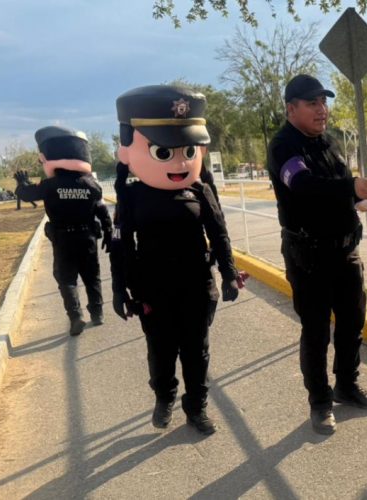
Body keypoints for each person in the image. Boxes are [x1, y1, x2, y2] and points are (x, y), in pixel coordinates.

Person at [110, 84, 246, 435]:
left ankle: (196, 407)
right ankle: (164, 396)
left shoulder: (200, 190)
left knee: (196, 352)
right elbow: (121, 246)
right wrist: (118, 289)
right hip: (152, 289)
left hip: (195, 285)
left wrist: (228, 273)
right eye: (163, 151)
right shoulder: (132, 196)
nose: (180, 161)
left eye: (187, 150)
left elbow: (218, 233)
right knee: (160, 352)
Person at [266, 74, 367, 435]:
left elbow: (339, 192)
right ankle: (320, 402)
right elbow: (303, 187)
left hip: (345, 252)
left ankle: (346, 386)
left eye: (324, 102)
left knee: (352, 324)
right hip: (310, 257)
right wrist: (350, 187)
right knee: (317, 331)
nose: (322, 110)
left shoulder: (329, 143)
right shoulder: (283, 146)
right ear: (291, 109)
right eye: (313, 103)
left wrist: (364, 201)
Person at [14, 126, 112, 336]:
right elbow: (102, 210)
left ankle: (76, 317)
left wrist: (22, 183)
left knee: (66, 279)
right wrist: (109, 231)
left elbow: (26, 194)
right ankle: (97, 313)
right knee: (92, 276)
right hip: (87, 237)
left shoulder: (49, 185)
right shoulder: (91, 184)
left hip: (63, 239)